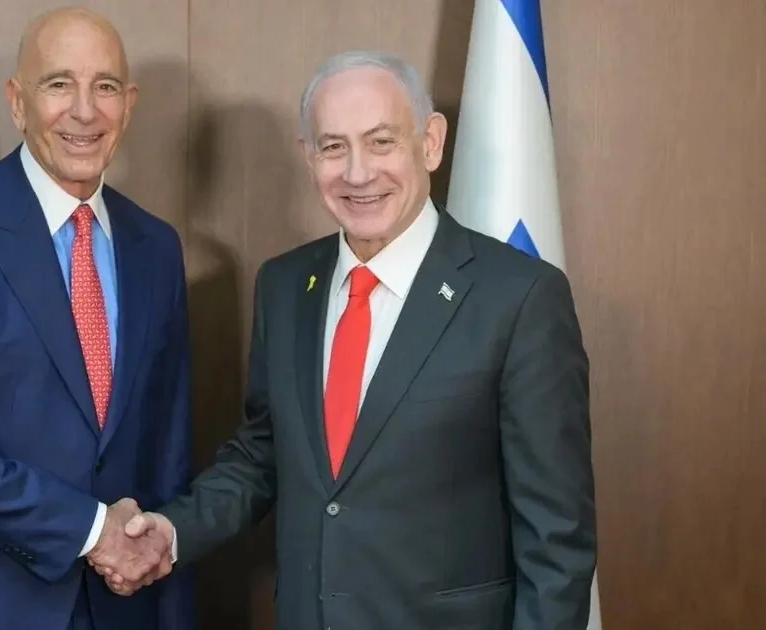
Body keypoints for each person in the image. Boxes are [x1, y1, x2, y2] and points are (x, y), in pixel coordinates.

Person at [95, 50, 597, 629]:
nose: (358, 173)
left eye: (381, 142)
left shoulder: (520, 297)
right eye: (334, 146)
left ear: (431, 143)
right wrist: (172, 531)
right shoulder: (285, 286)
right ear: (309, 158)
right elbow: (264, 455)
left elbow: (557, 543)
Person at [0, 7, 190, 630]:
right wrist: (92, 529)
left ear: (128, 105)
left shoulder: (156, 246)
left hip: (122, 607)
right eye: (58, 84)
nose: (84, 111)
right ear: (18, 102)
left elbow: (168, 455)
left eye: (104, 87)